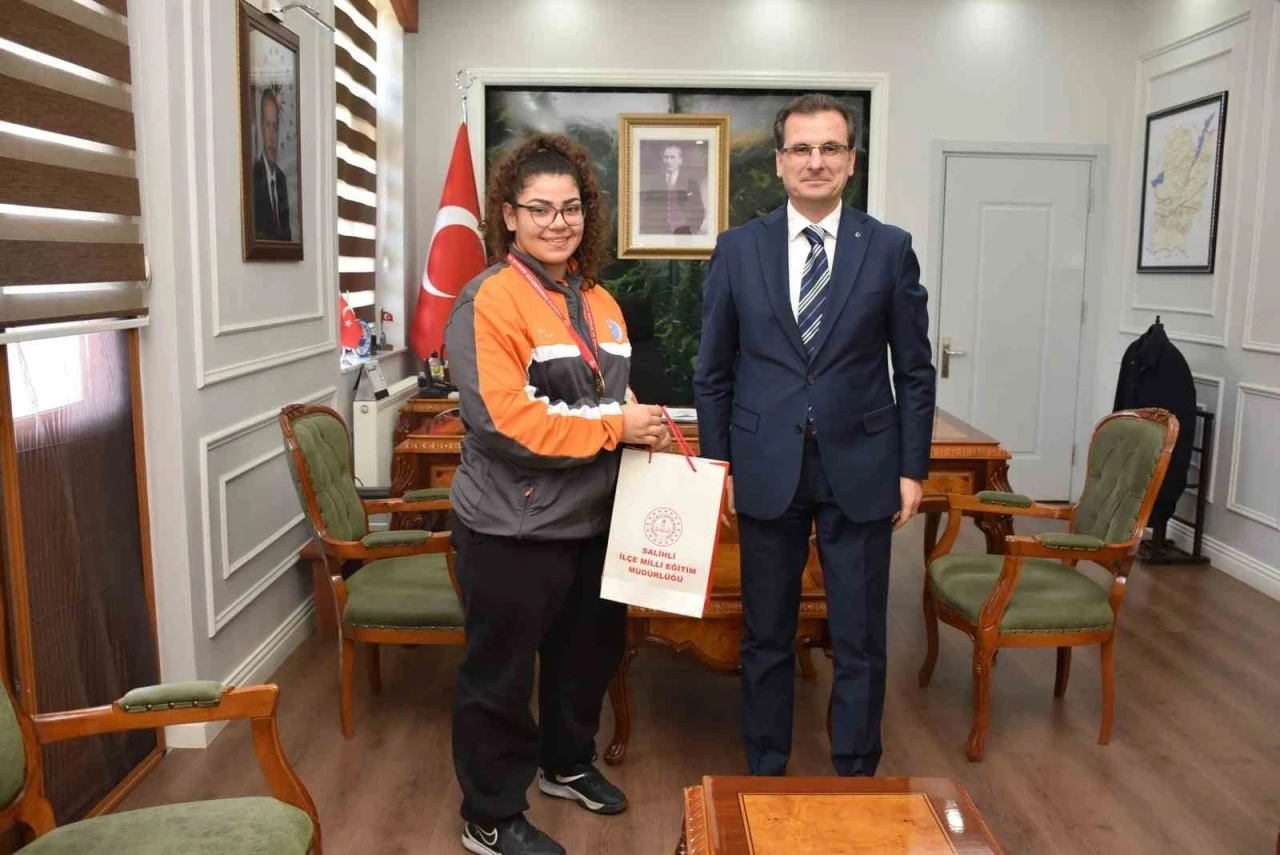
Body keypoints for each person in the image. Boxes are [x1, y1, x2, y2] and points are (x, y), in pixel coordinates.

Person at [694, 94, 936, 778]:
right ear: (779, 162)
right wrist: (719, 466)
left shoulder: (888, 249)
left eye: (831, 148)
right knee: (766, 634)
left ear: (851, 161)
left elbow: (914, 370)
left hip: (862, 465)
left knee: (859, 637)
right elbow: (711, 372)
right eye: (801, 148)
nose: (816, 161)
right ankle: (766, 766)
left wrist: (911, 469)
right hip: (763, 466)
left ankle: (856, 770)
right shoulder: (738, 249)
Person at [445, 133, 670, 855]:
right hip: (512, 528)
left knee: (585, 661)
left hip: (595, 523)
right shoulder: (487, 299)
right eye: (539, 208)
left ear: (586, 214)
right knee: (500, 678)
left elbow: (606, 391)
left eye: (570, 208)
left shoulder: (600, 300)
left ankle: (566, 764)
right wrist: (614, 426)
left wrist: (638, 420)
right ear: (509, 215)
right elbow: (505, 422)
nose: (557, 222)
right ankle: (489, 814)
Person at [639, 143, 705, 234]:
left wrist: (692, 231)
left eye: (672, 157)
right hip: (658, 233)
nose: (669, 161)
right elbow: (647, 210)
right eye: (666, 157)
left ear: (680, 160)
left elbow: (699, 212)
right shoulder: (654, 183)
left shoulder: (691, 184)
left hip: (683, 233)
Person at [253, 89, 291, 241]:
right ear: (261, 128)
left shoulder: (281, 179)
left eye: (275, 126)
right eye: (268, 125)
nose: (271, 137)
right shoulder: (253, 176)